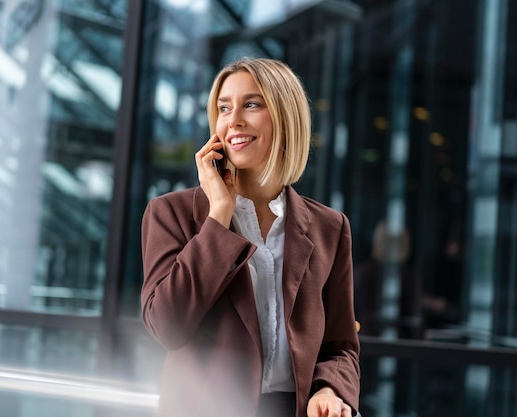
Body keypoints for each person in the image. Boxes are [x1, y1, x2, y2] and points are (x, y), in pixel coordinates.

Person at [140, 57, 361, 417]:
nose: (234, 120)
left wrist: (329, 389)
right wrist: (218, 216)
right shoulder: (172, 213)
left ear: (286, 119)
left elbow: (340, 345)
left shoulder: (329, 227)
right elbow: (167, 326)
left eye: (252, 104)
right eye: (224, 108)